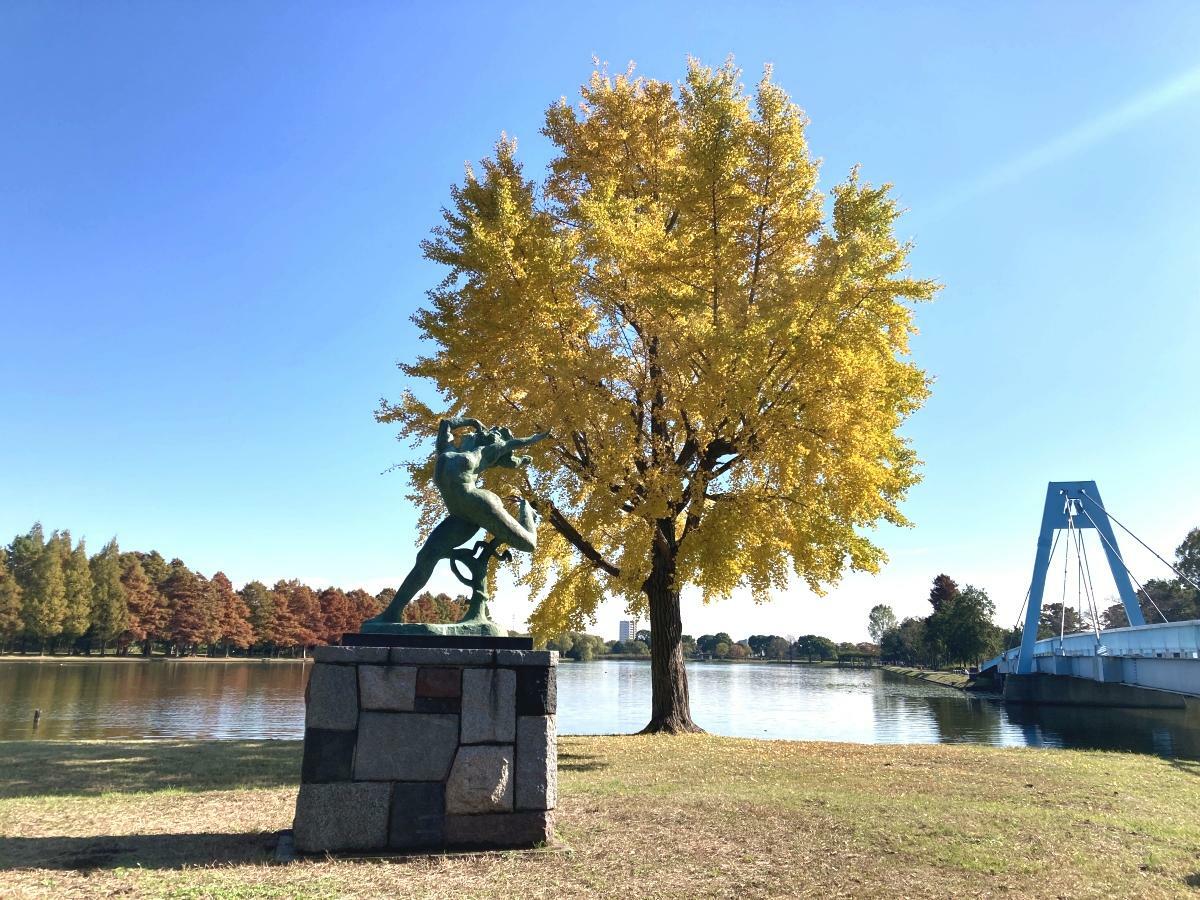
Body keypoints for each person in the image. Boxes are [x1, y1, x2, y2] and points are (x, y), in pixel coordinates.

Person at [365, 416, 549, 625]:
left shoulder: (482, 452)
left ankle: (527, 512)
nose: (471, 434)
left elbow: (513, 443)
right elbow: (445, 423)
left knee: (528, 544)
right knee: (426, 556)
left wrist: (537, 438)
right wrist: (472, 421)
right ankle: (392, 613)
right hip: (459, 516)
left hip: (479, 504)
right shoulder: (446, 448)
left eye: (481, 433)